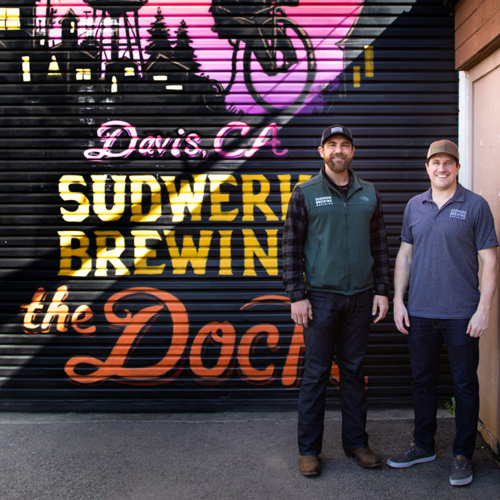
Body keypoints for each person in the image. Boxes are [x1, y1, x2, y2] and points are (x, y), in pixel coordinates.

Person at [387, 139, 499, 487]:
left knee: (464, 386)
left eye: (448, 163)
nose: (441, 168)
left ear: (457, 168)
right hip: (420, 312)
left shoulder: (476, 206)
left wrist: (483, 310)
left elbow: (491, 261)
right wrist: (398, 300)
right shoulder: (414, 206)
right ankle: (423, 445)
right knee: (422, 382)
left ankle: (463, 454)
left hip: (462, 315)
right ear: (427, 167)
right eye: (435, 162)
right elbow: (404, 255)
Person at [282, 124, 390, 476]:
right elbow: (291, 247)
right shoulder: (305, 193)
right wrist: (297, 295)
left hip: (360, 298)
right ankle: (309, 450)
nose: (338, 150)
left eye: (345, 145)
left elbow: (380, 247)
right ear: (321, 152)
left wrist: (382, 290)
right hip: (320, 300)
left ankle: (356, 442)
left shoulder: (369, 193)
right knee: (315, 375)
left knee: (354, 373)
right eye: (332, 145)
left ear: (353, 152)